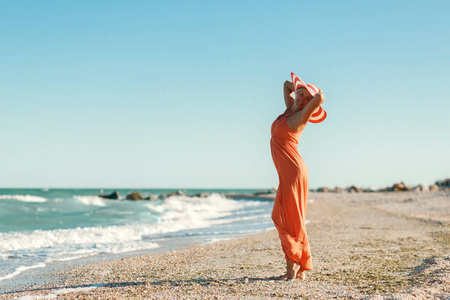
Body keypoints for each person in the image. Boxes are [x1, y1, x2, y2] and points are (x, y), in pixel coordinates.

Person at [270, 76, 325, 280]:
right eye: (301, 94)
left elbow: (320, 98)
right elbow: (285, 84)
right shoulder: (288, 111)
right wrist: (300, 88)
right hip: (287, 175)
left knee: (289, 219)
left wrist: (312, 97)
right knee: (283, 217)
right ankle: (299, 265)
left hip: (294, 173)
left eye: (306, 98)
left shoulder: (301, 117)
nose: (302, 98)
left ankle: (293, 268)